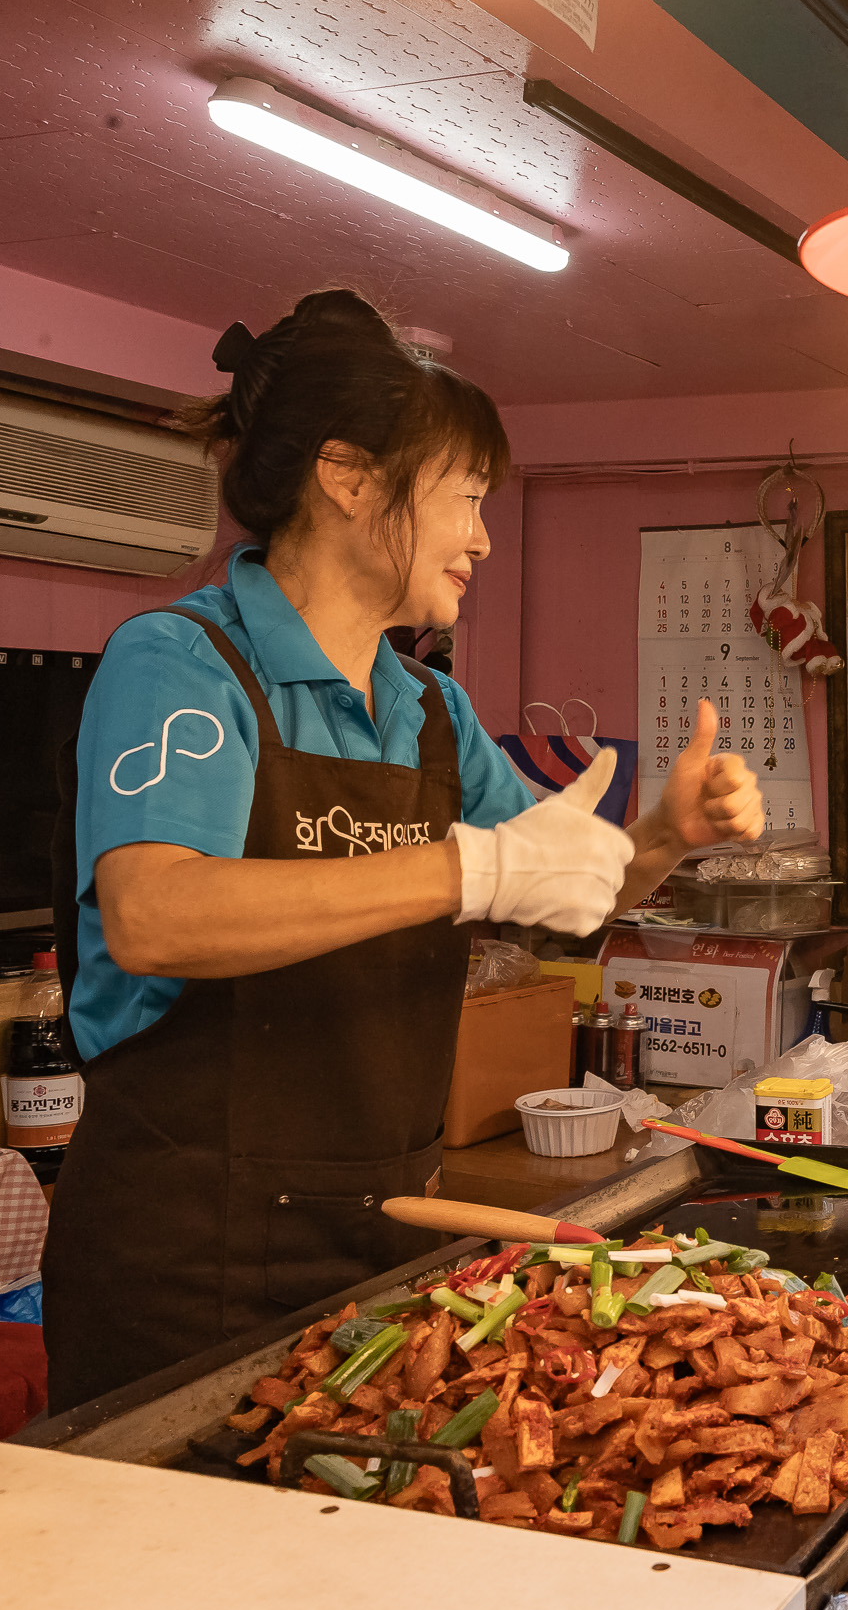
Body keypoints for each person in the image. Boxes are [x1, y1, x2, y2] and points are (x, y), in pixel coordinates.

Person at [43, 291, 764, 1411]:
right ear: (349, 477)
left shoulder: (430, 708)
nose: (481, 536)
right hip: (187, 1255)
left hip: (384, 1228)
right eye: (465, 499)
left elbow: (558, 891)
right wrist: (465, 868)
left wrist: (666, 834)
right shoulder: (181, 662)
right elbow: (154, 915)